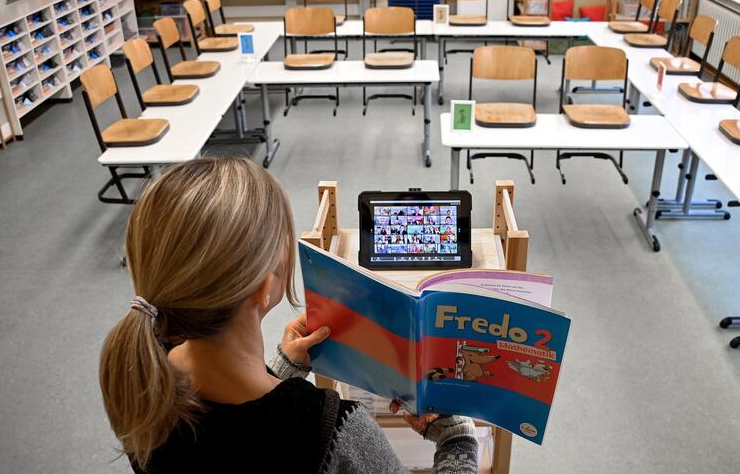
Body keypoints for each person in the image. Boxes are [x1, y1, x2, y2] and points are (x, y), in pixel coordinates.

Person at [99, 157, 478, 474]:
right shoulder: (334, 428)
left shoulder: (139, 378)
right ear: (266, 289)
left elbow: (233, 433)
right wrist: (456, 437)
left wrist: (280, 371)